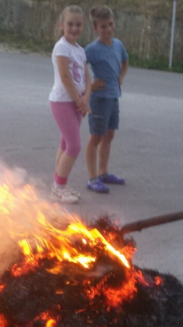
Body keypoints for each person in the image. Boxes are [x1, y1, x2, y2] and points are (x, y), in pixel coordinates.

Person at [49, 5, 91, 204]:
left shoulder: (80, 50)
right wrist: (78, 100)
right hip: (63, 102)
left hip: (77, 102)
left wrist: (86, 97)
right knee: (74, 146)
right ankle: (59, 186)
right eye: (70, 24)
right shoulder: (62, 47)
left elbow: (86, 76)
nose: (74, 28)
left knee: (65, 143)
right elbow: (65, 76)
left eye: (78, 24)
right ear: (62, 25)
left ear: (83, 26)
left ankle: (58, 185)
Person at [84, 5, 129, 194]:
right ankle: (92, 178)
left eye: (111, 24)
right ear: (95, 29)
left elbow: (125, 61)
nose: (108, 29)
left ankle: (103, 173)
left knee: (109, 136)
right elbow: (78, 66)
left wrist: (121, 77)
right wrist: (90, 85)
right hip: (99, 99)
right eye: (103, 26)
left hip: (113, 97)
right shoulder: (92, 49)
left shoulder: (118, 44)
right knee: (96, 137)